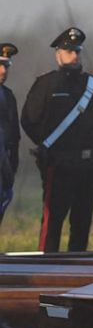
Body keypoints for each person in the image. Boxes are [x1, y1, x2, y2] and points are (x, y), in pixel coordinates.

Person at [21, 27, 93, 253]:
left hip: (88, 165)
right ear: (58, 54)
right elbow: (29, 120)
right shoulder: (46, 84)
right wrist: (48, 145)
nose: (74, 55)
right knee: (53, 221)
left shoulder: (92, 85)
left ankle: (75, 272)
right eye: (69, 51)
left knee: (82, 221)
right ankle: (45, 270)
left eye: (77, 51)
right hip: (58, 165)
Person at [0, 43, 20, 221]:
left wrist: (11, 169)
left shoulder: (8, 96)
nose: (3, 70)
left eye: (6, 65)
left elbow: (14, 137)